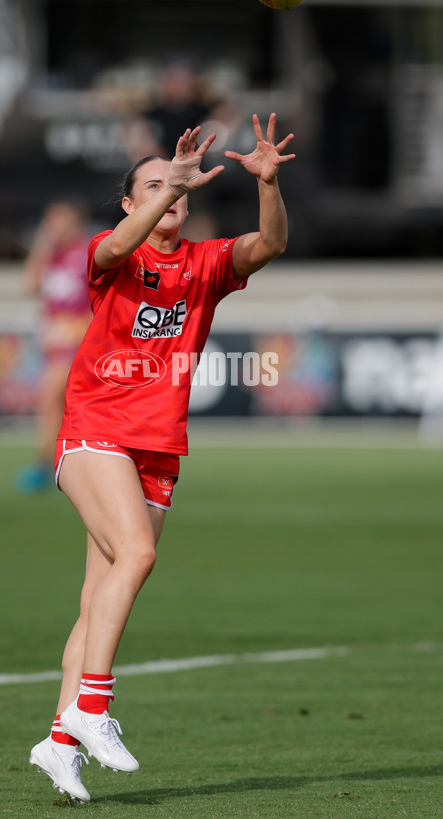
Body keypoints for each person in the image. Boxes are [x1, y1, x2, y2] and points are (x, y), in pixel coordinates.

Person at [29, 114, 295, 802]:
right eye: (151, 186)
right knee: (138, 557)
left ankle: (59, 744)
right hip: (95, 431)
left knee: (98, 602)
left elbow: (269, 243)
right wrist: (161, 185)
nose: (169, 193)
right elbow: (120, 241)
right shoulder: (110, 252)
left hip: (159, 446)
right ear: (130, 201)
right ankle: (92, 708)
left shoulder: (205, 264)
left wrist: (266, 184)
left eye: (175, 186)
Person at [15, 199, 93, 493]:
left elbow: (101, 300)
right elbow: (30, 286)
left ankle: (43, 465)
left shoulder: (88, 252)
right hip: (53, 345)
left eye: (59, 220)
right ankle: (59, 467)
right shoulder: (52, 256)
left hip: (78, 345)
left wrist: (74, 329)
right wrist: (41, 247)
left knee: (51, 399)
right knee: (57, 406)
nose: (53, 227)